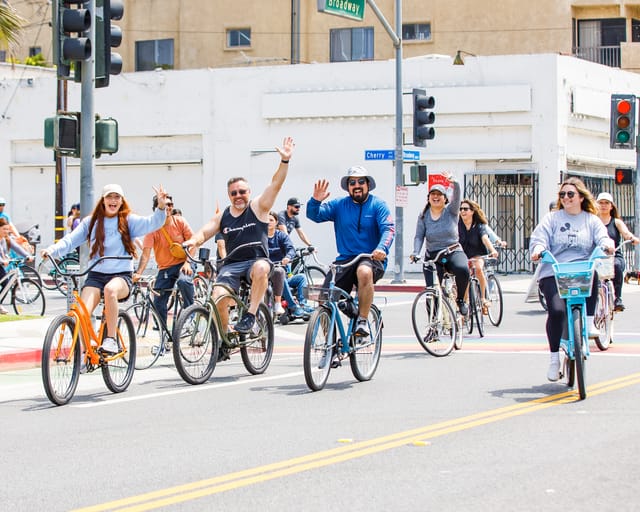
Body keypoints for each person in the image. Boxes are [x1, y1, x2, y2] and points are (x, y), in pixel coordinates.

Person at [185, 136, 295, 335]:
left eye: (242, 191)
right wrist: (193, 240)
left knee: (262, 267)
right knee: (217, 297)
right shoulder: (224, 216)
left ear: (249, 192)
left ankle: (251, 314)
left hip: (256, 261)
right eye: (233, 193)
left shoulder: (258, 207)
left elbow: (275, 184)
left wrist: (284, 161)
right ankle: (225, 337)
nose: (238, 196)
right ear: (229, 196)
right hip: (232, 266)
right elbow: (204, 231)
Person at [41, 183, 169, 354]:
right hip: (96, 275)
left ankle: (111, 340)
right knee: (81, 312)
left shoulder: (129, 220)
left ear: (122, 201)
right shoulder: (91, 222)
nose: (113, 200)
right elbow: (70, 241)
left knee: (110, 290)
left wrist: (161, 206)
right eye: (109, 196)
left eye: (117, 197)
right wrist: (51, 250)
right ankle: (87, 354)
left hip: (121, 276)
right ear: (103, 200)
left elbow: (152, 223)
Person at [530, 177, 614, 382]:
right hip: (554, 271)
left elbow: (603, 237)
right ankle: (554, 359)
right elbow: (539, 238)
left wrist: (606, 245)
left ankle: (588, 322)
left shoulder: (591, 220)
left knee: (593, 273)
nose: (566, 198)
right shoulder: (552, 219)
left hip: (581, 270)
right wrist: (539, 250)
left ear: (580, 197)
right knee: (557, 311)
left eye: (570, 194)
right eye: (562, 195)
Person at [307, 166, 395, 339]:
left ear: (368, 184)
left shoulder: (378, 205)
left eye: (361, 181)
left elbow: (388, 229)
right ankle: (330, 345)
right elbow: (314, 215)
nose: (357, 185)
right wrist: (315, 201)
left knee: (364, 272)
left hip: (370, 258)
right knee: (324, 298)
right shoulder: (340, 205)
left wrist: (381, 248)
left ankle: (362, 320)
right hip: (345, 259)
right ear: (347, 187)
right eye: (352, 182)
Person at [410, 173, 470, 316]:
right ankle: (433, 327)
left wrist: (454, 182)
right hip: (433, 256)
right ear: (428, 198)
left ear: (445, 199)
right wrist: (416, 252)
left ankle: (461, 300)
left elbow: (457, 195)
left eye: (439, 195)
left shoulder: (451, 211)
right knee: (432, 292)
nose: (435, 197)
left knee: (463, 270)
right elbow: (419, 236)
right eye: (433, 194)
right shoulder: (424, 215)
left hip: (452, 251)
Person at [133, 194, 196, 328]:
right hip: (165, 268)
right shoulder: (152, 228)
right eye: (164, 205)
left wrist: (188, 262)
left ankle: (190, 315)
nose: (168, 207)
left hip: (184, 263)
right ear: (157, 208)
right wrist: (138, 273)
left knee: (184, 281)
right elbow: (145, 254)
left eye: (170, 204)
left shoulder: (180, 221)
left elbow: (193, 243)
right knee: (158, 302)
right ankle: (163, 335)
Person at [595, 192, 639, 312]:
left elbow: (626, 233)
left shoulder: (616, 222)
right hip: (596, 257)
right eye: (601, 203)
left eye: (607, 203)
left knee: (617, 266)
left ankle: (617, 298)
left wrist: (632, 238)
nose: (603, 205)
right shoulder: (593, 221)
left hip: (613, 256)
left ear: (611, 206)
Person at [267, 211, 312, 319]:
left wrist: (288, 257)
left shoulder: (281, 236)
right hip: (268, 274)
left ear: (276, 222)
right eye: (266, 220)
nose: (268, 222)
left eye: (271, 220)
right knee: (280, 274)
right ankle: (293, 306)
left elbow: (290, 249)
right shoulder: (261, 237)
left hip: (283, 271)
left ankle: (302, 304)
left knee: (301, 277)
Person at [458, 199, 498, 314]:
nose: (462, 211)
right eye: (461, 209)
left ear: (472, 211)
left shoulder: (479, 225)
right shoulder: (457, 224)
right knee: (463, 275)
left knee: (478, 268)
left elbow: (485, 238)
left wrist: (493, 250)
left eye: (465, 209)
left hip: (477, 254)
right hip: (462, 255)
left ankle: (483, 298)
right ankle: (464, 303)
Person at [0, 217, 34, 314]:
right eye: (4, 229)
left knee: (6, 284)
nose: (6, 231)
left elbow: (17, 248)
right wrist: (2, 260)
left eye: (7, 229)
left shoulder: (6, 239)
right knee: (6, 283)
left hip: (1, 266)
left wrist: (27, 255)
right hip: (1, 264)